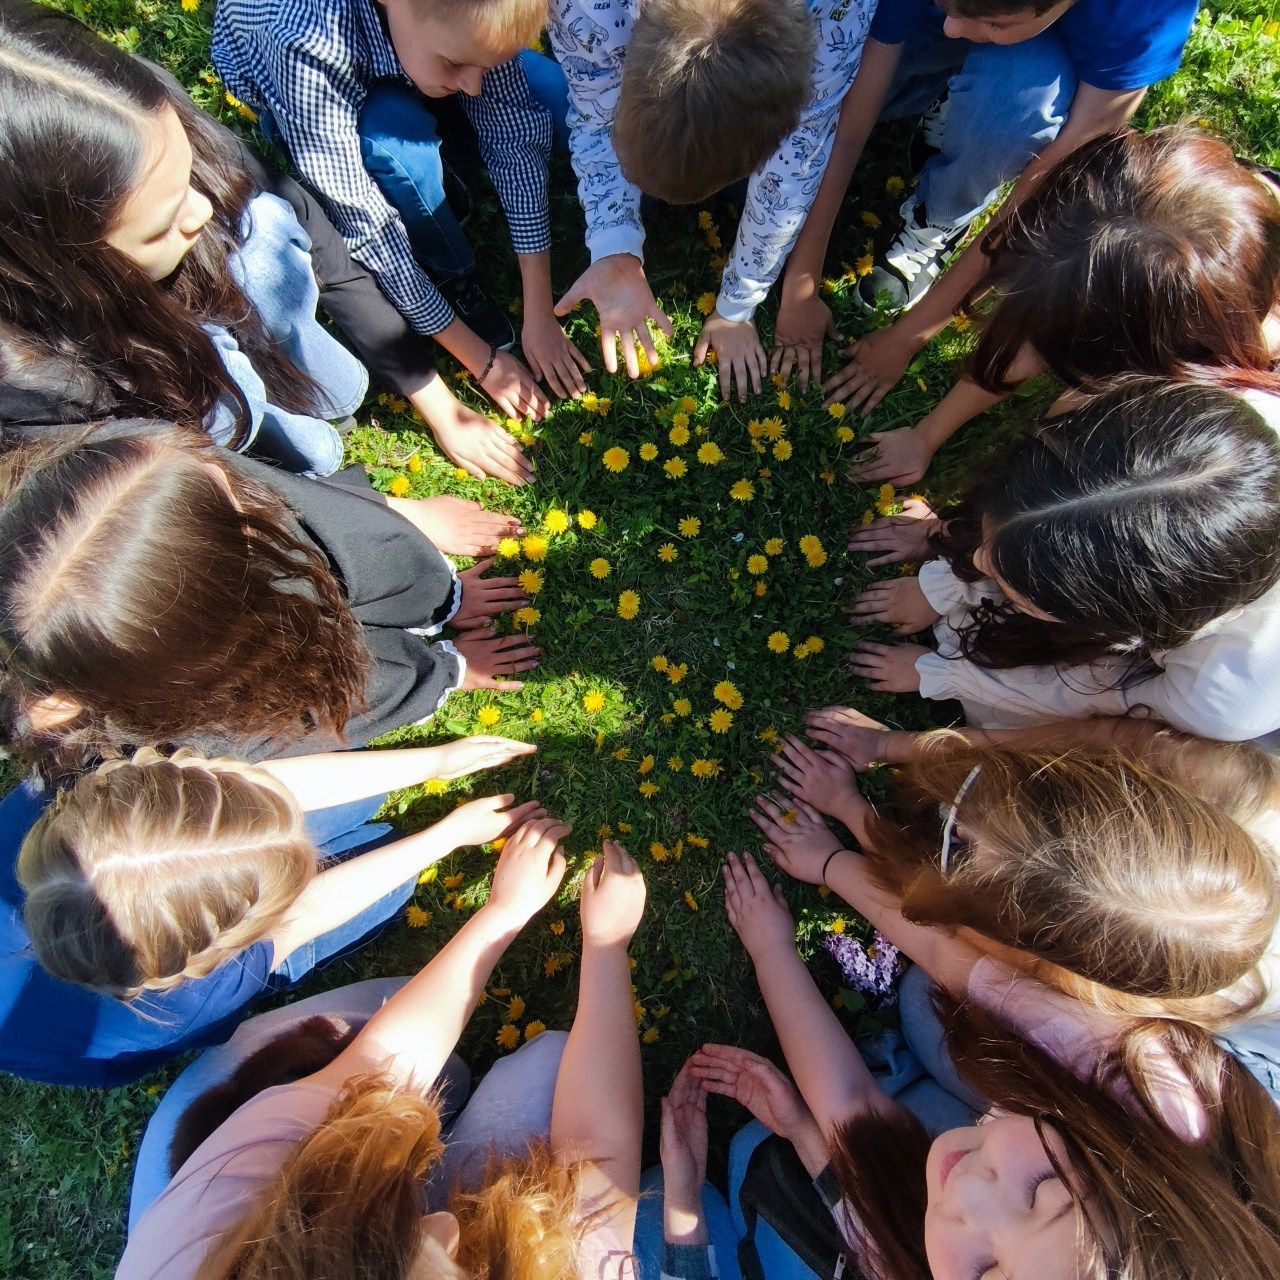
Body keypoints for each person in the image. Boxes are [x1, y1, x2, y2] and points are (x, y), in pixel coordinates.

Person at [707, 846, 1280, 1280]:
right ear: (1120, 1163)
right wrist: (831, 859)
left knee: (763, 1149)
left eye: (987, 1274)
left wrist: (771, 950)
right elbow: (947, 956)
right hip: (1104, 1097)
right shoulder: (1144, 1084)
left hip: (1047, 1119)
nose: (967, 1198)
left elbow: (852, 1117)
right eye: (1044, 1191)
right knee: (927, 1002)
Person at [117, 822, 647, 1280]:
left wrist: (504, 910)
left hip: (215, 1192)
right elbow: (597, 1153)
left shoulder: (226, 1203)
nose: (448, 1226)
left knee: (274, 1069)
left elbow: (381, 1061)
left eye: (410, 1236)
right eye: (448, 1261)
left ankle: (437, 1093)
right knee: (554, 1063)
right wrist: (606, 945)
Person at [0, 422, 537, 782]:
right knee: (344, 684)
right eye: (231, 504)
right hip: (272, 674)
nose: (228, 474)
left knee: (360, 560)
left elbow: (333, 521)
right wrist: (443, 680)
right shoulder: (187, 732)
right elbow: (314, 723)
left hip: (283, 580)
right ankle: (439, 670)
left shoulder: (139, 462)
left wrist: (419, 542)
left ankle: (438, 604)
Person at [1, 738, 538, 1087]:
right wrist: (446, 837)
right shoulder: (189, 996)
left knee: (355, 795)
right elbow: (306, 915)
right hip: (96, 1029)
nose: (306, 849)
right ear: (225, 939)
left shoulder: (48, 797)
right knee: (390, 875)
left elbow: (258, 786)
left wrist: (438, 761)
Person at [772, 0, 1201, 406]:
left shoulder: (1145, 15)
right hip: (935, 32)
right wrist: (800, 284)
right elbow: (849, 126)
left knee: (1010, 111)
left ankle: (941, 212)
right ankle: (952, 98)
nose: (953, 28)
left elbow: (1040, 197)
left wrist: (906, 340)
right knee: (793, 108)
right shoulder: (957, 18)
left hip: (1040, 67)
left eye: (994, 22)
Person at [213, 0, 589, 444]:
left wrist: (538, 311)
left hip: (411, 52)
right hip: (317, 99)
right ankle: (449, 270)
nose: (473, 85)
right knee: (393, 137)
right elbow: (370, 230)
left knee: (555, 96)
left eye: (486, 66)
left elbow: (512, 138)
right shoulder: (303, 42)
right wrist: (483, 361)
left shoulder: (466, 25)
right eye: (456, 63)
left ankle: (442, 143)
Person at [843, 379, 1280, 744]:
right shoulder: (1179, 427)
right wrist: (943, 582)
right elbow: (1043, 514)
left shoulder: (1227, 692)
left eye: (1022, 588)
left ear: (1113, 625)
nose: (977, 559)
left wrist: (944, 675)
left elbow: (1091, 708)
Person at [844, 126, 1280, 486]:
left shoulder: (1229, 426)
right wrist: (926, 436)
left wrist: (956, 535)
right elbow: (1030, 338)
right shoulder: (1182, 210)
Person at [548, 0, 875, 401]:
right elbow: (592, 103)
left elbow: (796, 163)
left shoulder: (833, 15)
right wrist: (612, 238)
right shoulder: (584, 9)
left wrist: (739, 303)